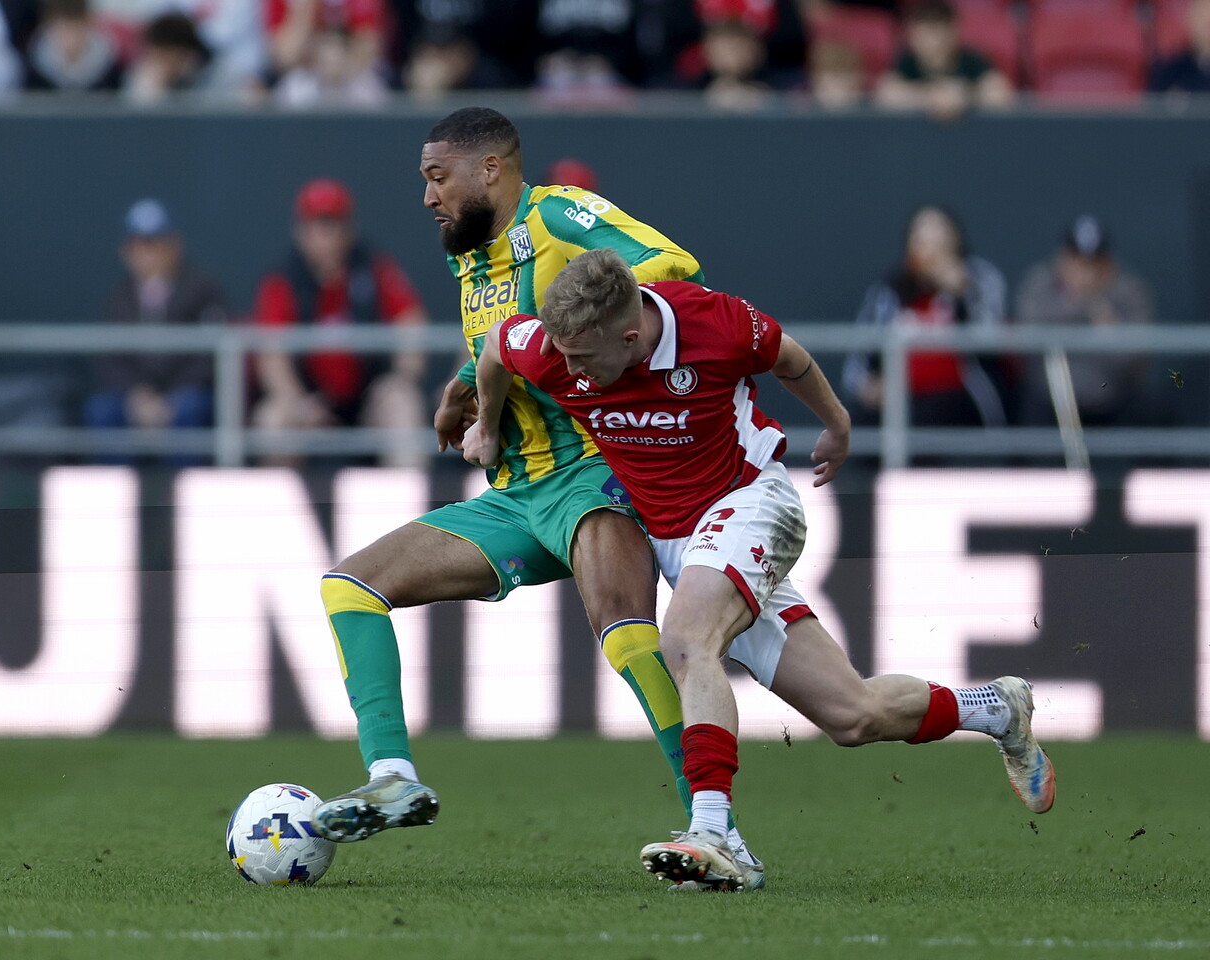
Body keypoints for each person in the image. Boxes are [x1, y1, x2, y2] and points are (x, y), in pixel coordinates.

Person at [466, 248, 1056, 891]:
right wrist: (488, 426)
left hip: (750, 503)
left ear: (630, 337)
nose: (570, 371)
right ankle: (995, 709)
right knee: (854, 716)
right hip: (685, 545)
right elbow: (496, 348)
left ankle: (713, 831)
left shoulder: (713, 324)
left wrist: (837, 425)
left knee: (685, 641)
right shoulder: (553, 349)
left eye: (583, 358)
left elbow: (789, 358)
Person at [311, 107, 767, 891]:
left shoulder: (556, 215)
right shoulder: (472, 255)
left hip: (594, 473)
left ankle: (716, 828)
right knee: (349, 585)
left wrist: (577, 340)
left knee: (626, 634)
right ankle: (393, 777)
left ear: (491, 169)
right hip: (516, 495)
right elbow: (500, 347)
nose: (427, 196)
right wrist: (465, 389)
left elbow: (672, 265)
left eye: (438, 177)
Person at [251, 178, 427, 468]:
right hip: (309, 399)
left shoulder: (372, 266)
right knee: (272, 418)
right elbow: (272, 355)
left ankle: (408, 498)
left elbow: (412, 322)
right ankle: (277, 499)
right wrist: (299, 402)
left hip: (366, 399)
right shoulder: (283, 278)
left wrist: (401, 376)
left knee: (402, 403)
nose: (325, 234)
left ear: (349, 228)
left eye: (333, 224)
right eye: (316, 224)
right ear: (300, 231)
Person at [83, 198, 229, 464]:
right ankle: (118, 490)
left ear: (174, 245)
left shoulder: (203, 290)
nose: (145, 253)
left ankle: (181, 490)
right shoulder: (119, 297)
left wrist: (170, 399)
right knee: (102, 409)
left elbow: (209, 358)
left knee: (190, 408)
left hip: (185, 394)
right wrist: (137, 395)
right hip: (138, 397)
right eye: (136, 244)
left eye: (153, 243)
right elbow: (110, 359)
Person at [842, 204, 1009, 430]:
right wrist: (869, 386)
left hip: (959, 397)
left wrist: (961, 295)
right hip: (900, 397)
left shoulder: (979, 279)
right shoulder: (890, 290)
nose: (930, 247)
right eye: (921, 237)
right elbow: (856, 365)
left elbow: (990, 343)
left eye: (938, 236)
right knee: (858, 424)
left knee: (931, 415)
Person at [1014, 215, 1154, 427]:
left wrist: (1105, 318)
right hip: (1052, 399)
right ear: (1062, 258)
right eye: (1077, 260)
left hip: (1113, 398)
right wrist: (1081, 304)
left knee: (1148, 413)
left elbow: (1133, 360)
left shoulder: (1130, 291)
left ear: (1109, 263)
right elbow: (1027, 336)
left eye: (1094, 263)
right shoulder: (1040, 282)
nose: (1085, 272)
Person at [873, 0, 1013, 122]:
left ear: (953, 32)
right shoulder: (906, 62)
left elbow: (999, 93)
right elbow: (886, 93)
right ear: (912, 35)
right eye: (925, 33)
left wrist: (964, 95)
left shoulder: (972, 60)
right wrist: (929, 96)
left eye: (938, 32)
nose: (934, 42)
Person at [23, 0, 123, 93]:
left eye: (76, 26)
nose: (69, 36)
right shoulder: (35, 69)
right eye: (62, 28)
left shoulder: (109, 68)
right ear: (49, 28)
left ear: (89, 25)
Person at [1150, 0, 1210, 94]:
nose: (1207, 27)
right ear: (1190, 21)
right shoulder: (1170, 71)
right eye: (1202, 19)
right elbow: (1153, 100)